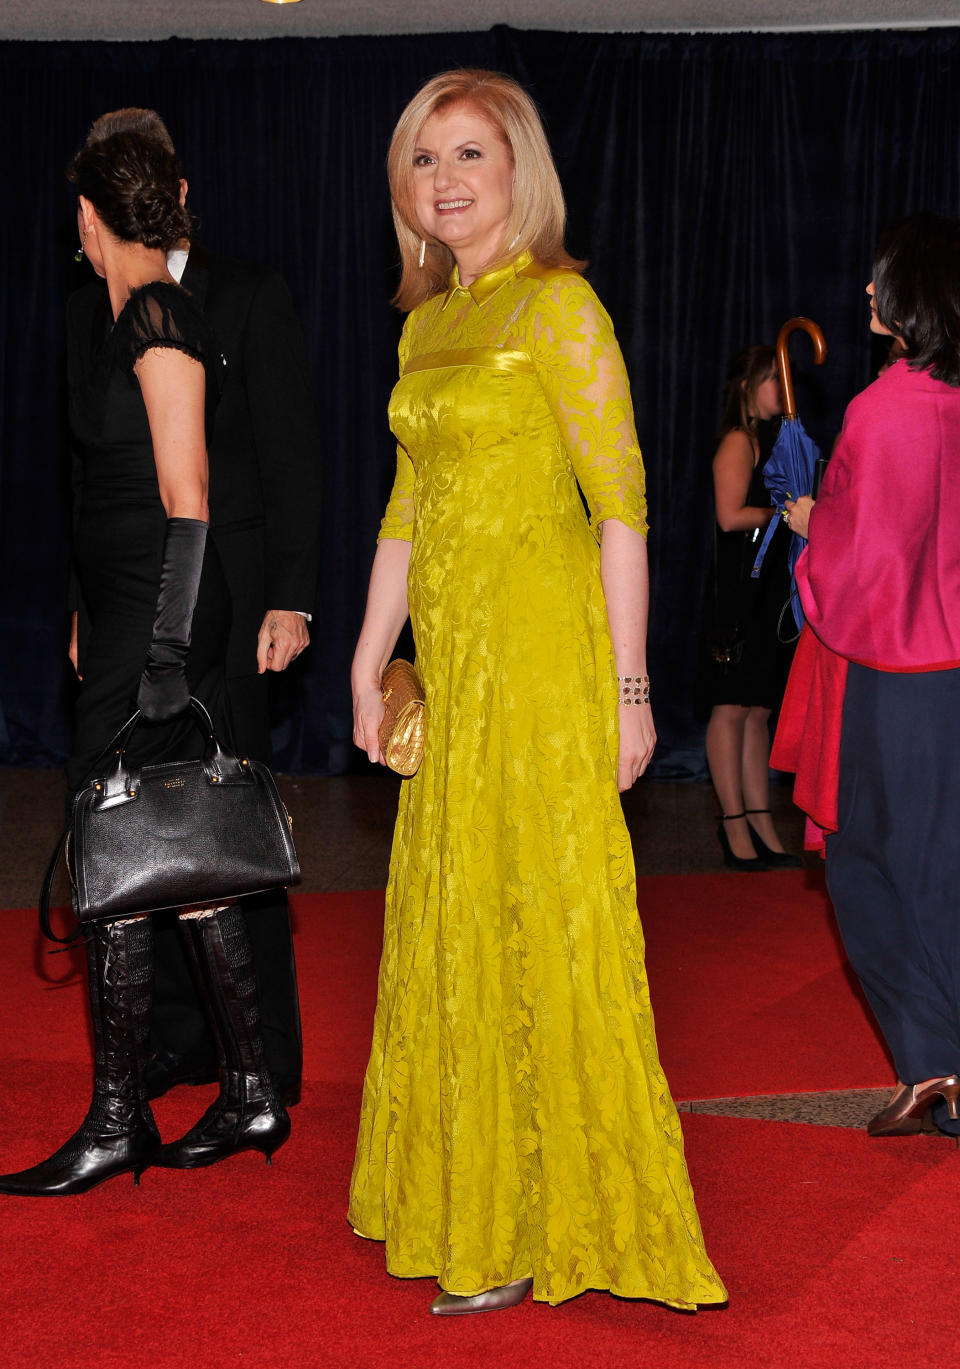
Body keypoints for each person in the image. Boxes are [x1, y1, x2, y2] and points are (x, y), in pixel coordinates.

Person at [348, 68, 726, 1315]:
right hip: (456, 672)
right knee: (460, 919)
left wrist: (630, 689)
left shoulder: (563, 307)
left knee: (539, 920)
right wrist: (367, 654)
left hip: (550, 660)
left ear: (520, 173)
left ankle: (537, 1216)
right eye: (424, 159)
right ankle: (473, 1195)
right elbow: (409, 507)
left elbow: (623, 505)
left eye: (469, 155)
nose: (444, 180)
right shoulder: (423, 324)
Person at [0, 130, 289, 1195]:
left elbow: (190, 496)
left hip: (163, 616)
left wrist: (163, 652)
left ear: (87, 218)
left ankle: (121, 1119)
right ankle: (252, 1084)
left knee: (110, 838)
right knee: (175, 836)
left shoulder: (162, 318)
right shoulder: (133, 316)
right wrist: (98, 609)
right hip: (129, 608)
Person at [67, 108, 323, 1107]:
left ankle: (262, 1062)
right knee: (147, 834)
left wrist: (291, 599)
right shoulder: (101, 309)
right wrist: (86, 601)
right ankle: (177, 1044)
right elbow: (91, 485)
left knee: (221, 827)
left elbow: (286, 457)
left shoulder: (239, 297)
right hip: (139, 598)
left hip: (225, 598)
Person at [774, 213, 960, 1137]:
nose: (865, 293)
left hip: (896, 673)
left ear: (909, 297)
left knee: (871, 866)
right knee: (933, 867)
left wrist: (810, 529)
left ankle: (939, 1061)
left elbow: (858, 569)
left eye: (878, 278)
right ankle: (936, 1069)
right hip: (947, 667)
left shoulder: (885, 410)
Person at [696, 346, 800, 870]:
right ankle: (733, 821)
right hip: (738, 591)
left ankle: (760, 818)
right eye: (772, 382)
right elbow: (730, 515)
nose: (782, 393)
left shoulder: (772, 441)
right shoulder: (739, 440)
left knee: (758, 710)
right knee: (731, 707)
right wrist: (786, 512)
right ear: (747, 387)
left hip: (765, 593)